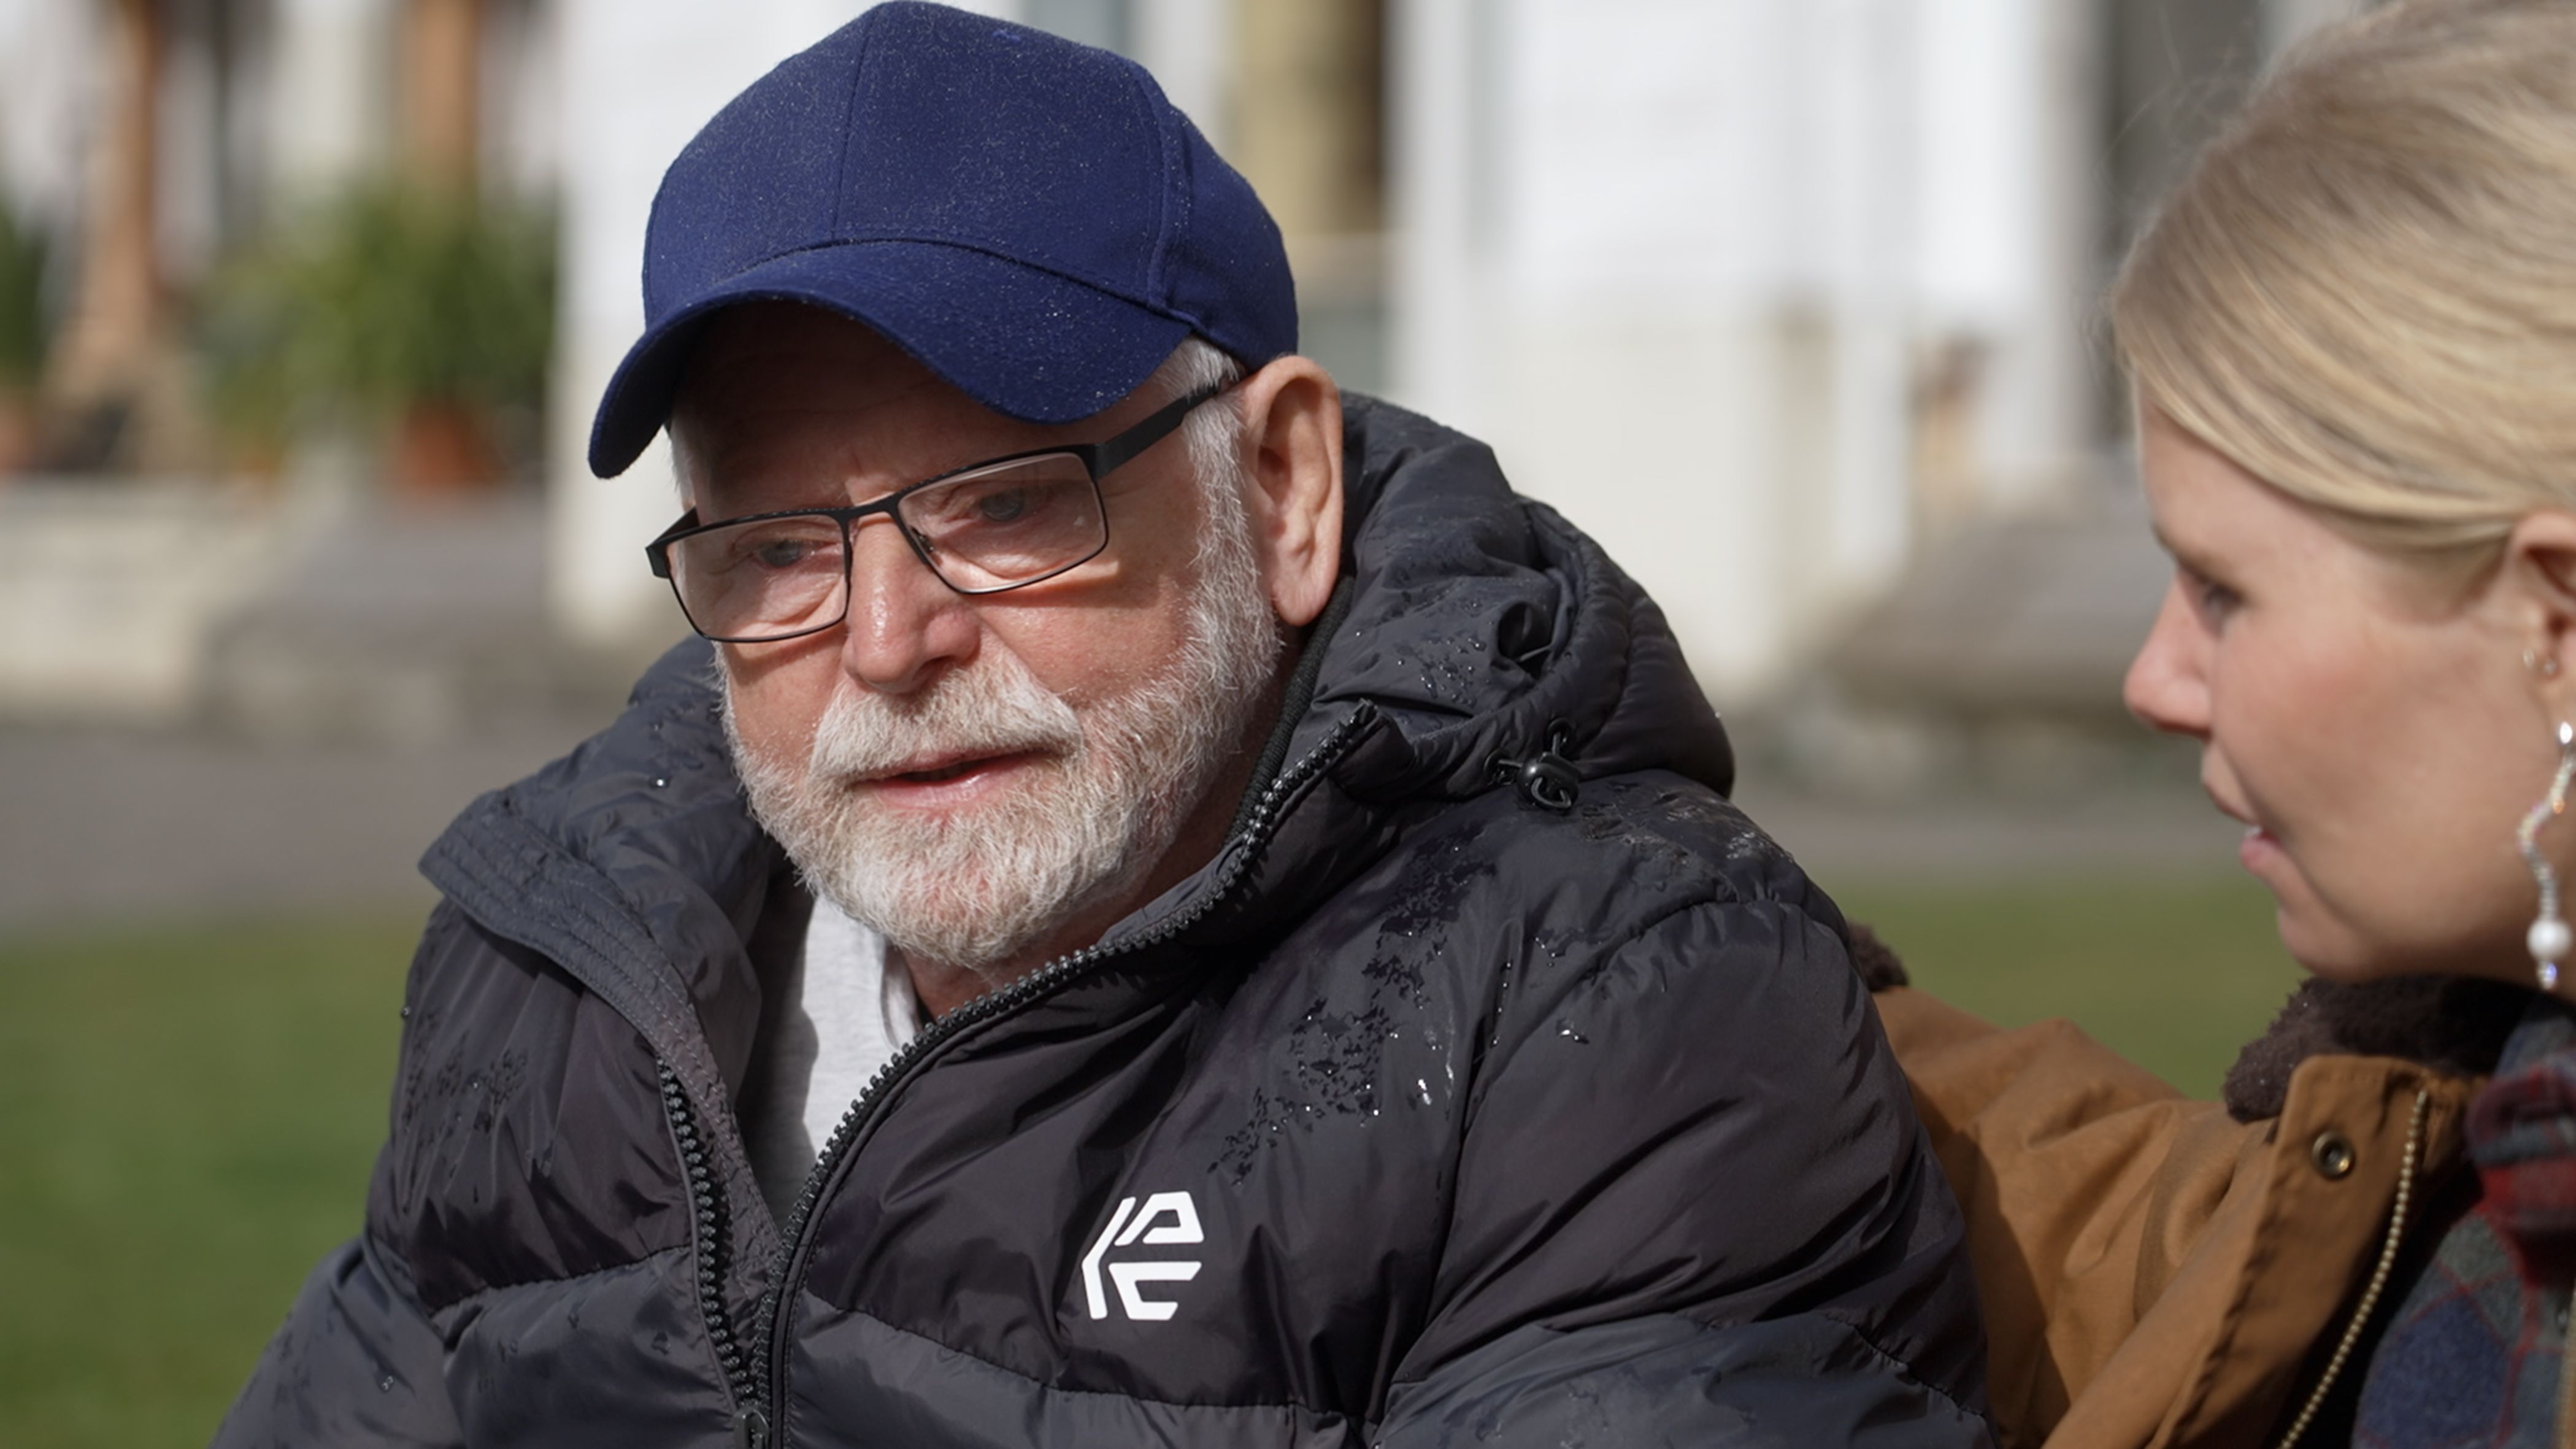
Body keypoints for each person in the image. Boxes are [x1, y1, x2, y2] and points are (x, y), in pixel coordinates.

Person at [212, 6, 1989, 1445]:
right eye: (779, 549)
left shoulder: (1614, 1019)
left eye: (1003, 502)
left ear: (1285, 489)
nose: (891, 645)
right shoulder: (564, 984)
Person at [1869, 1, 2576, 1444]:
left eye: (2222, 590)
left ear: (2554, 621)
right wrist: (1656, 942)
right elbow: (2133, 1225)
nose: (2155, 677)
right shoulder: (2470, 1138)